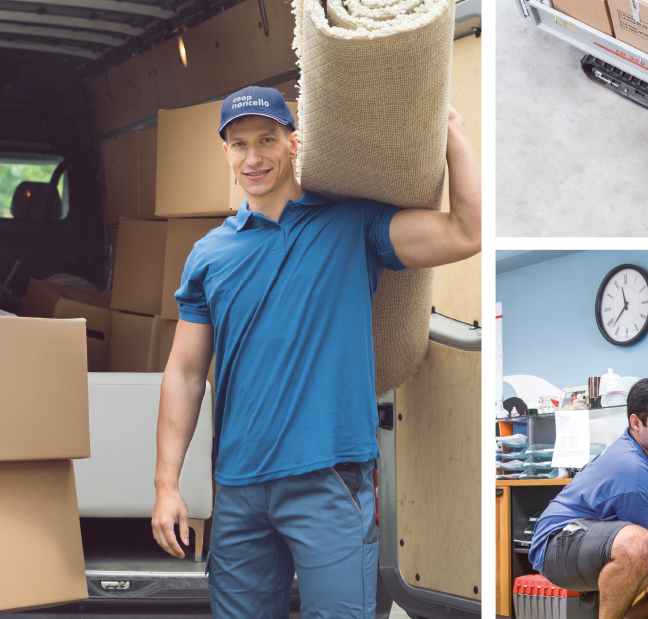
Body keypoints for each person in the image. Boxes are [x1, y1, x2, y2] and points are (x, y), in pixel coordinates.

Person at [150, 85, 481, 619]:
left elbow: (466, 232)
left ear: (294, 142)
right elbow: (185, 374)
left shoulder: (351, 225)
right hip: (239, 487)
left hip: (329, 479)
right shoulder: (209, 255)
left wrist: (452, 130)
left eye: (266, 140)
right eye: (239, 144)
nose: (253, 157)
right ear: (226, 153)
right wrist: (167, 484)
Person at [528, 378, 648, 619]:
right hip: (555, 544)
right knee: (641, 545)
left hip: (599, 538)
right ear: (636, 422)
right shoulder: (632, 468)